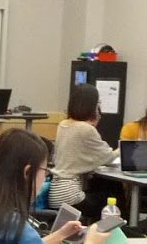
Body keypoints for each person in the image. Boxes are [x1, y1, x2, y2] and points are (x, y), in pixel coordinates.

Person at [44, 83, 120, 218]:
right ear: (92, 105)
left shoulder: (63, 124)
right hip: (71, 196)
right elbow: (108, 156)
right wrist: (122, 148)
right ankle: (127, 235)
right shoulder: (86, 129)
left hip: (55, 192)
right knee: (114, 201)